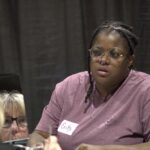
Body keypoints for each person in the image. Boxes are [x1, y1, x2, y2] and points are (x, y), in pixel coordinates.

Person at [28, 21, 150, 150]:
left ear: (130, 60)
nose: (103, 60)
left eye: (114, 54)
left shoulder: (145, 90)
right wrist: (41, 147)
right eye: (97, 52)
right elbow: (39, 134)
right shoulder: (68, 87)